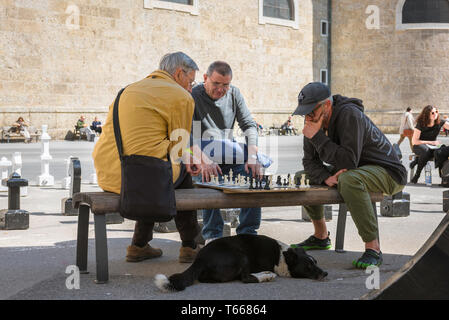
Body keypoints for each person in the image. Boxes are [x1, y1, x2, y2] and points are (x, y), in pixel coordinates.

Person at [92, 52, 212, 263]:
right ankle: (191, 246)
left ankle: (139, 245)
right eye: (190, 82)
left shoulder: (127, 90)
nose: (191, 88)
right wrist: (192, 160)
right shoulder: (181, 96)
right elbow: (179, 146)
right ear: (178, 73)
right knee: (178, 174)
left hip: (110, 174)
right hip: (141, 177)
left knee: (152, 168)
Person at [290, 82, 407, 269]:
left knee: (349, 179)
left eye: (311, 111)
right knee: (300, 177)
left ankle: (373, 249)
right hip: (353, 171)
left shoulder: (349, 115)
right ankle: (321, 236)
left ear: (326, 105)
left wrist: (317, 137)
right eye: (305, 112)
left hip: (387, 172)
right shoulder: (313, 122)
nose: (308, 117)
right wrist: (325, 177)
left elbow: (348, 162)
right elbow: (309, 162)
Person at [191, 61, 262, 244]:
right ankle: (213, 237)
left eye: (225, 85)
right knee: (207, 177)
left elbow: (249, 125)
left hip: (228, 154)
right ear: (205, 78)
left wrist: (252, 156)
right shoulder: (192, 96)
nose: (221, 89)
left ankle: (248, 235)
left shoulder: (234, 93)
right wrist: (203, 159)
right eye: (216, 84)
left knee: (254, 176)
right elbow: (186, 133)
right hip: (201, 155)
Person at [409, 105, 449, 184]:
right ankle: (417, 175)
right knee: (426, 151)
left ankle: (443, 177)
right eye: (432, 113)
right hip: (419, 146)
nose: (435, 114)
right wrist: (431, 142)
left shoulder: (440, 122)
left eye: (436, 112)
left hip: (432, 147)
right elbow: (414, 141)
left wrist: (433, 144)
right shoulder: (421, 124)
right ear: (427, 114)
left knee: (441, 151)